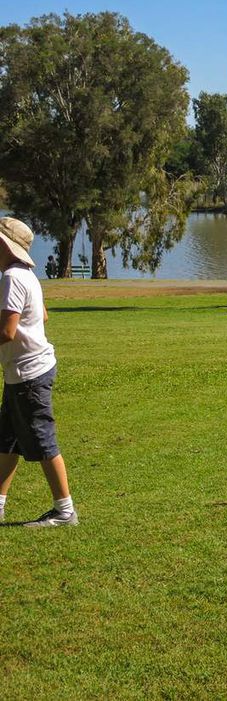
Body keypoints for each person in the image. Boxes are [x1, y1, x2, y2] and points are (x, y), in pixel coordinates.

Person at [0, 217, 77, 527]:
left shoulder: (12, 278)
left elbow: (7, 331)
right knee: (6, 440)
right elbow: (42, 315)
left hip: (29, 374)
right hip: (22, 373)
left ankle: (65, 511)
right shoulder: (25, 275)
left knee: (43, 441)